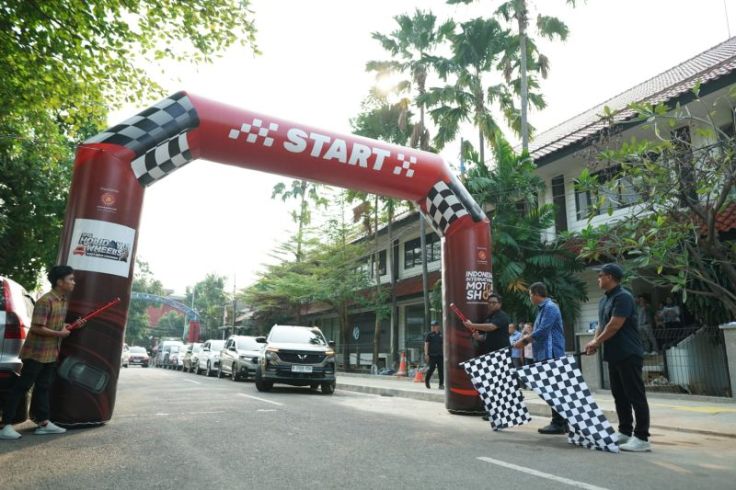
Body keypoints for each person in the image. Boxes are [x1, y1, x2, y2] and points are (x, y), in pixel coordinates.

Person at [1, 265, 84, 440]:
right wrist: (59, 333)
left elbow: (54, 326)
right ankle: (6, 425)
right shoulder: (45, 301)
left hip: (50, 353)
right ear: (60, 282)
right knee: (22, 386)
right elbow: (37, 328)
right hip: (36, 353)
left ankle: (44, 423)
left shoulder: (62, 301)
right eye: (71, 279)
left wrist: (70, 326)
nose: (73, 283)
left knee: (43, 388)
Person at [585, 263, 651, 452]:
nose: (598, 278)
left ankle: (642, 437)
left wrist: (597, 342)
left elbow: (615, 325)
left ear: (611, 277)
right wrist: (595, 341)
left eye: (601, 275)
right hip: (613, 354)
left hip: (629, 352)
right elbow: (602, 324)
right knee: (619, 395)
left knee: (635, 395)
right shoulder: (603, 300)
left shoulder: (623, 297)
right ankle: (624, 431)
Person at [514, 282, 566, 434]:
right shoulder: (543, 309)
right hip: (544, 354)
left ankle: (558, 423)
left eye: (530, 295)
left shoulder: (550, 308)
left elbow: (542, 331)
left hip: (552, 354)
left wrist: (523, 341)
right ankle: (560, 422)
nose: (530, 298)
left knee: (553, 390)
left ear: (537, 294)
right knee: (551, 390)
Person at [424, 320, 444, 389]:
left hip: (440, 355)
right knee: (431, 368)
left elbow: (443, 345)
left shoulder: (441, 335)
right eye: (432, 326)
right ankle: (427, 380)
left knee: (441, 370)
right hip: (432, 355)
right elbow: (426, 344)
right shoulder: (429, 335)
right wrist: (426, 354)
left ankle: (441, 384)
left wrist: (444, 354)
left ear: (438, 326)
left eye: (434, 326)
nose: (433, 327)